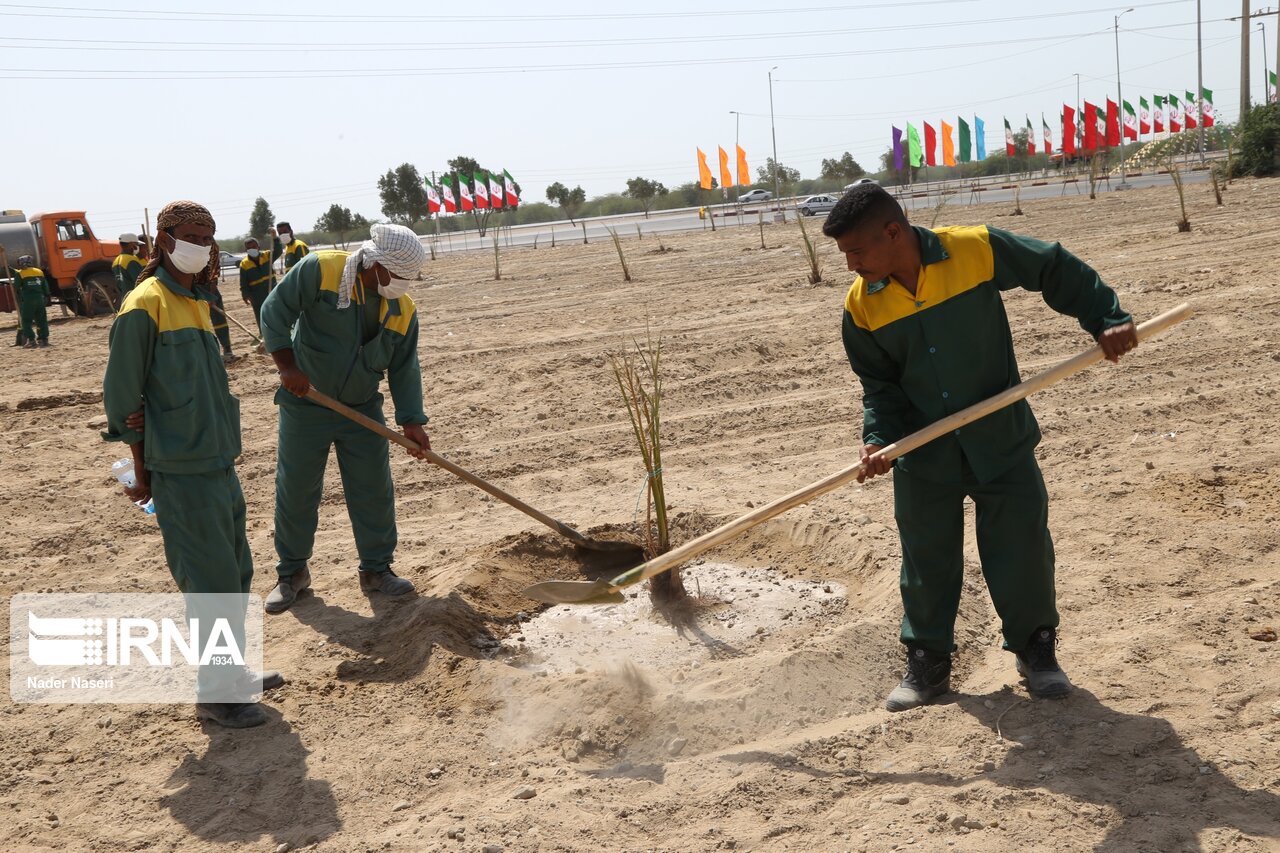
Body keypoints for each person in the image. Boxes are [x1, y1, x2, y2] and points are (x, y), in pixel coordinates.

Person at [822, 184, 1139, 712]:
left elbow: (1053, 268)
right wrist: (879, 440)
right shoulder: (861, 308)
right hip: (926, 458)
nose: (851, 265)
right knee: (926, 561)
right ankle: (927, 664)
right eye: (845, 255)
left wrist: (1106, 318)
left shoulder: (974, 248)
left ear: (894, 232)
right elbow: (880, 388)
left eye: (856, 251)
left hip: (1001, 441)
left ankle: (1037, 653)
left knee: (1021, 549)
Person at [101, 200, 284, 729]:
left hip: (217, 460)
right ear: (162, 239)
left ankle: (236, 672)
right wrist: (141, 467)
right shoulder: (145, 304)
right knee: (209, 581)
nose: (200, 245)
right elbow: (122, 399)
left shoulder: (198, 301)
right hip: (179, 467)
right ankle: (218, 694)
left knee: (235, 571)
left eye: (207, 237)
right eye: (189, 236)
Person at [259, 223, 429, 614]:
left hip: (362, 408)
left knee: (372, 490)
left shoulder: (402, 309)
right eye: (400, 276)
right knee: (297, 491)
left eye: (409, 278)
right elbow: (274, 311)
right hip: (306, 405)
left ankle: (376, 570)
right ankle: (292, 574)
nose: (404, 284)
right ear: (376, 265)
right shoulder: (320, 269)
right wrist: (287, 367)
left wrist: (412, 422)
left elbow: (405, 368)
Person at [239, 228, 283, 332]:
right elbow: (243, 283)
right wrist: (245, 295)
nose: (252, 249)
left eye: (254, 247)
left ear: (258, 247)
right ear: (246, 250)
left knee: (277, 314)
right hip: (257, 296)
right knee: (261, 317)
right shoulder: (244, 264)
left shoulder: (267, 256)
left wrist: (275, 237)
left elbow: (278, 250)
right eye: (249, 248)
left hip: (272, 291)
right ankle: (265, 336)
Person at [13, 255, 50, 348]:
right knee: (41, 320)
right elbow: (45, 286)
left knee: (26, 320)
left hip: (28, 300)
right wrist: (46, 295)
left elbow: (16, 286)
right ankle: (44, 339)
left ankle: (31, 340)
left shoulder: (20, 273)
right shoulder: (39, 272)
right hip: (40, 299)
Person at [112, 233, 146, 297]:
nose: (137, 246)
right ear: (131, 244)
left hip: (124, 298)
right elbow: (142, 282)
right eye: (136, 244)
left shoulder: (116, 261)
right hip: (135, 298)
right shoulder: (131, 260)